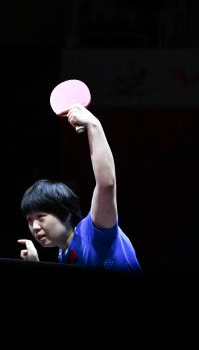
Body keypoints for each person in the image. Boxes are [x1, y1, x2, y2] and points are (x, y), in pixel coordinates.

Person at [18, 105, 141, 271]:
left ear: (66, 213)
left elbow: (106, 184)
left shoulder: (92, 231)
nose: (35, 227)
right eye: (29, 220)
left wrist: (93, 125)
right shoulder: (64, 255)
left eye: (41, 216)